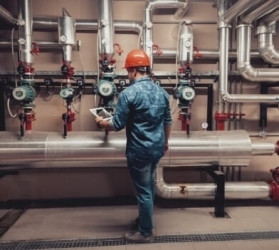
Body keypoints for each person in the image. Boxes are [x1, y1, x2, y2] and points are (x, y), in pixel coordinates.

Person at [95, 49, 173, 243]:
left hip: (139, 152)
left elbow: (116, 124)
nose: (127, 75)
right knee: (149, 188)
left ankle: (145, 232)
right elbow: (168, 121)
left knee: (143, 191)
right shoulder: (162, 92)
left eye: (128, 71)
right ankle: (144, 219)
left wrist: (100, 122)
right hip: (156, 150)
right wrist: (165, 142)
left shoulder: (128, 94)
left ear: (133, 71)